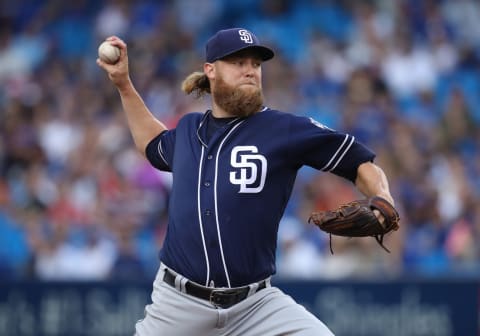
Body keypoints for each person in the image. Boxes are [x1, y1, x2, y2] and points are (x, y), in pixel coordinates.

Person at [97, 27, 395, 336]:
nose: (250, 70)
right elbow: (153, 144)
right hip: (177, 306)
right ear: (210, 70)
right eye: (238, 62)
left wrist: (383, 198)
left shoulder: (284, 129)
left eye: (255, 63)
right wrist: (123, 84)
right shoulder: (188, 130)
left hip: (256, 307)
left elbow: (360, 163)